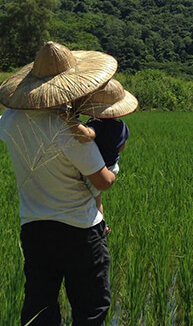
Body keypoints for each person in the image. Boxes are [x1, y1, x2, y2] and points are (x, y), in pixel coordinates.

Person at [0, 41, 118, 326]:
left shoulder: (10, 120)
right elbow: (102, 182)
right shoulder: (68, 129)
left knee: (40, 306)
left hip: (35, 229)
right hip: (80, 231)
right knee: (90, 309)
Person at [72, 78, 138, 219]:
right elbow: (121, 147)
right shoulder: (122, 126)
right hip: (113, 166)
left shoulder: (98, 123)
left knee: (94, 200)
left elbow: (87, 136)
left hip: (98, 169)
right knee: (97, 198)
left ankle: (100, 223)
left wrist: (70, 121)